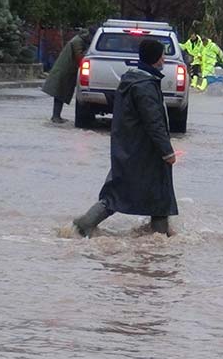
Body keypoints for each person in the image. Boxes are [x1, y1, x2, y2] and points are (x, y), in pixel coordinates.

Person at [72, 38, 178, 237]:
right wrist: (167, 151)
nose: (164, 59)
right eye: (163, 55)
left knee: (125, 191)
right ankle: (83, 226)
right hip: (144, 152)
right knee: (147, 196)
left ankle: (161, 238)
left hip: (130, 149)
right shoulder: (144, 86)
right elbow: (154, 122)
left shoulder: (133, 80)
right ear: (156, 59)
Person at [42, 29, 92, 123]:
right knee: (59, 93)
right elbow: (79, 57)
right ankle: (56, 116)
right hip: (64, 71)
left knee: (59, 93)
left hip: (65, 70)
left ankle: (56, 116)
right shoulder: (78, 41)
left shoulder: (77, 40)